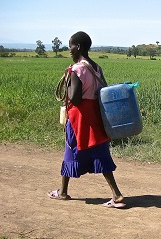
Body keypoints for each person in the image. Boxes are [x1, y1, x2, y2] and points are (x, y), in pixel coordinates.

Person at [47, 31, 125, 208]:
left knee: (71, 150)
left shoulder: (76, 69)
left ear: (79, 47)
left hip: (79, 118)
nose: (70, 51)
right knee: (100, 152)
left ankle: (63, 192)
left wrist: (68, 81)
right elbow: (103, 89)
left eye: (71, 47)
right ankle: (116, 194)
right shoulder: (97, 68)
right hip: (96, 117)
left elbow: (74, 98)